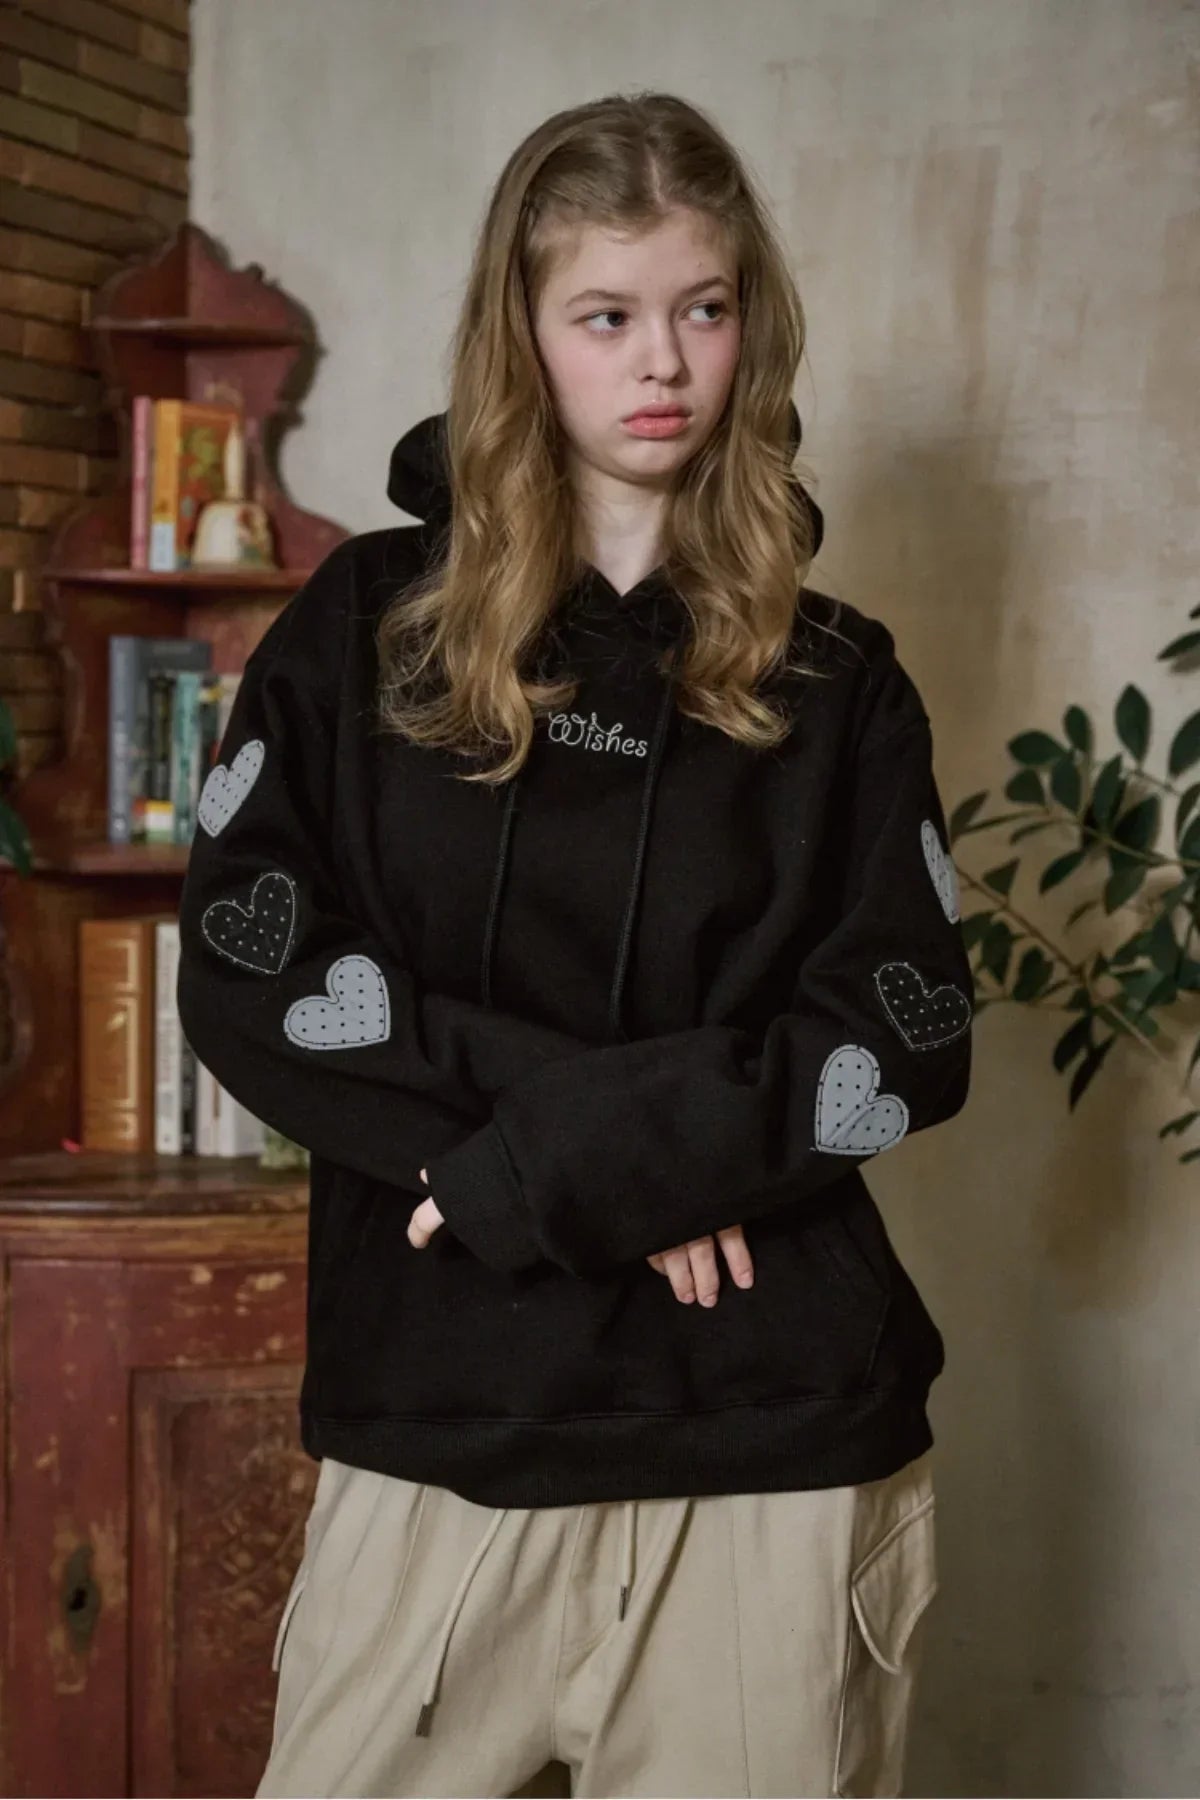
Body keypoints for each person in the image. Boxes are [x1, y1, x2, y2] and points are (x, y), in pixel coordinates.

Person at [176, 88, 973, 1800]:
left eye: (704, 306)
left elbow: (906, 1033)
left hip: (775, 1430)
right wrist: (605, 1159)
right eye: (606, 315)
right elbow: (255, 974)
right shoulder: (357, 633)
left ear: (749, 326)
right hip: (440, 1417)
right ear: (523, 337)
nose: (662, 360)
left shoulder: (843, 680)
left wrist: (589, 1160)